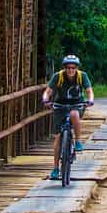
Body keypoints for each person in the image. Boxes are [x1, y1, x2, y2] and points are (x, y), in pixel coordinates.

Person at [43, 53, 92, 181]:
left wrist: (90, 100)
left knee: (74, 114)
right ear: (65, 67)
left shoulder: (82, 76)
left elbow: (89, 91)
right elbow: (48, 91)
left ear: (76, 68)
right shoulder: (58, 76)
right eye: (68, 67)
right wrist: (45, 99)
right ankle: (55, 168)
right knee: (58, 137)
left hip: (77, 104)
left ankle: (78, 141)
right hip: (60, 105)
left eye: (73, 67)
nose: (71, 70)